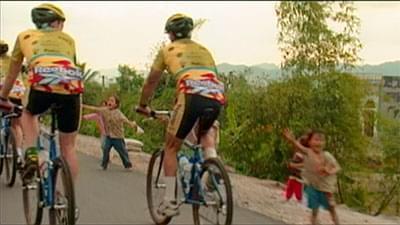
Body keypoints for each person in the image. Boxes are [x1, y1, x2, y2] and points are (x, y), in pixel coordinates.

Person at [136, 13, 225, 217]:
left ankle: (169, 201)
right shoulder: (204, 50)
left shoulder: (167, 50)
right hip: (215, 94)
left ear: (170, 35)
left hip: (190, 95)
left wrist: (143, 105)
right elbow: (205, 78)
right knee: (205, 133)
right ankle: (213, 162)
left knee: (171, 147)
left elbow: (151, 81)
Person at [0, 3, 83, 188]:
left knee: (28, 114)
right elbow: (71, 66)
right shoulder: (69, 40)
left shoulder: (24, 36)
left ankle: (31, 153)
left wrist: (4, 97)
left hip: (41, 84)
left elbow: (13, 73)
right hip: (71, 87)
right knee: (68, 147)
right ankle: (66, 200)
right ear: (57, 23)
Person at [282, 128, 341, 225]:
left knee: (332, 209)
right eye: (316, 139)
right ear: (309, 142)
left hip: (326, 190)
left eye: (322, 140)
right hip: (313, 187)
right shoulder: (308, 152)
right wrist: (291, 140)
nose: (319, 143)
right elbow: (299, 146)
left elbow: (337, 168)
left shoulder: (327, 155)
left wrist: (328, 171)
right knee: (314, 211)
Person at [83, 95, 144, 170]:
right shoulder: (105, 110)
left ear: (116, 104)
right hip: (109, 136)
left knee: (122, 151)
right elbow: (94, 108)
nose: (109, 102)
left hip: (118, 137)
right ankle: (104, 165)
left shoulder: (119, 113)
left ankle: (128, 165)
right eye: (109, 100)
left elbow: (126, 121)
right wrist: (82, 105)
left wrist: (133, 125)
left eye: (112, 101)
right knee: (106, 149)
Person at [0, 40, 26, 165]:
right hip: (17, 91)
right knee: (17, 124)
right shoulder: (14, 60)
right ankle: (19, 151)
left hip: (3, 91)